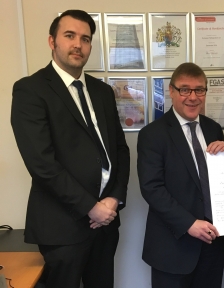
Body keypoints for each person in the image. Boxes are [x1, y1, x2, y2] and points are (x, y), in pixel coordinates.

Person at [11, 10, 130, 288]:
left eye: (85, 39)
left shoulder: (101, 92)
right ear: (52, 41)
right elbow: (42, 163)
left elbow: (120, 151)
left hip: (106, 222)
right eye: (70, 36)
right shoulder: (31, 90)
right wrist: (90, 207)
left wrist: (114, 198)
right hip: (61, 226)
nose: (78, 44)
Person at [137, 62, 224, 288]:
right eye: (185, 89)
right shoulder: (152, 134)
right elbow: (152, 188)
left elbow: (218, 182)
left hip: (213, 243)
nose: (193, 97)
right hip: (173, 247)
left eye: (199, 90)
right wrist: (189, 223)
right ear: (171, 91)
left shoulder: (213, 129)